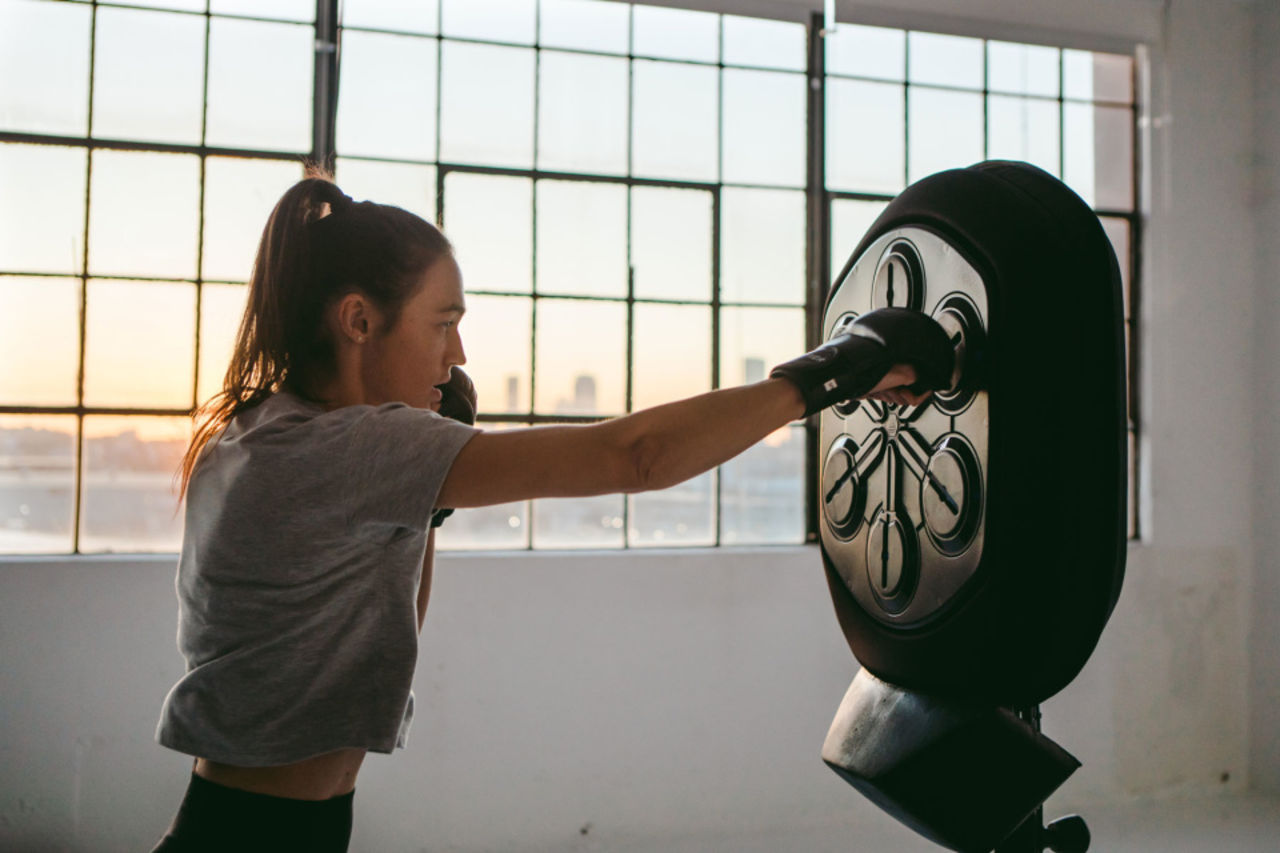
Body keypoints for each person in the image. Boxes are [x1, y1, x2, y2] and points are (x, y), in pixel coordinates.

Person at [148, 173, 952, 852]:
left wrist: (428, 504)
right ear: (359, 320)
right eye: (444, 322)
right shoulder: (352, 446)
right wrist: (833, 373)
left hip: (258, 817)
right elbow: (633, 455)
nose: (456, 355)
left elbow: (386, 628)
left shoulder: (252, 435)